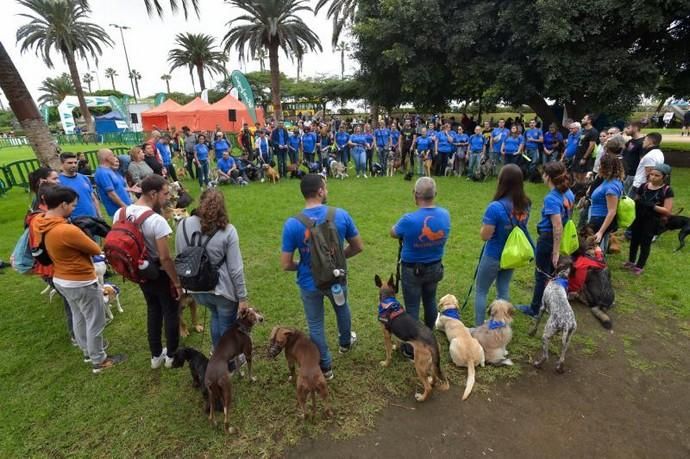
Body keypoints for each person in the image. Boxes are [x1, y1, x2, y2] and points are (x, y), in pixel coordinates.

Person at [33, 186, 126, 373]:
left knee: (79, 316)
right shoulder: (66, 230)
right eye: (73, 205)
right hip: (80, 280)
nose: (74, 209)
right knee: (95, 321)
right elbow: (93, 248)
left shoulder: (39, 221)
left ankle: (87, 351)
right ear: (63, 204)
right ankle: (99, 360)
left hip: (60, 278)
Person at [280, 174, 364, 379]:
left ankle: (325, 367)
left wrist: (307, 265)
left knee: (315, 324)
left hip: (309, 283)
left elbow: (286, 264)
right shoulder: (341, 215)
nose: (327, 191)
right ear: (320, 191)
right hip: (336, 278)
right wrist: (335, 260)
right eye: (325, 188)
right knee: (342, 309)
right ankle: (345, 342)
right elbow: (358, 247)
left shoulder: (292, 224)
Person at [114, 175, 182, 369]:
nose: (167, 198)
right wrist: (176, 282)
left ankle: (155, 355)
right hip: (158, 272)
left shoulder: (120, 213)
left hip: (137, 272)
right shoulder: (156, 220)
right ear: (153, 194)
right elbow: (165, 258)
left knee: (152, 309)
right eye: (165, 193)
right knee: (170, 311)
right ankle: (172, 355)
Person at [175, 189, 249, 348]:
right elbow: (236, 269)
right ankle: (226, 362)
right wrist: (242, 297)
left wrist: (181, 284)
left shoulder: (182, 225)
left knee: (215, 316)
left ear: (200, 203)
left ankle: (217, 354)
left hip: (196, 289)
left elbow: (180, 256)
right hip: (222, 290)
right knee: (227, 328)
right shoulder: (228, 231)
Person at [390, 177, 450, 340]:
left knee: (412, 307)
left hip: (412, 270)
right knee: (430, 300)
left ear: (415, 195)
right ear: (435, 194)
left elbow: (393, 232)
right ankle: (428, 334)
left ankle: (413, 345)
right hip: (435, 267)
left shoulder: (408, 219)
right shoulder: (445, 215)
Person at [474, 164, 531, 326]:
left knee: (481, 290)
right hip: (512, 254)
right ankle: (502, 325)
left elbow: (485, 236)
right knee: (503, 288)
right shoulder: (526, 204)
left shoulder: (495, 207)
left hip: (493, 253)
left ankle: (479, 327)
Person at [517, 162, 575, 317]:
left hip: (549, 239)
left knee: (541, 274)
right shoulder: (569, 192)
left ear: (547, 177)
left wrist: (555, 252)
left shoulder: (552, 198)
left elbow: (557, 226)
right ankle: (547, 305)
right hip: (558, 239)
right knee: (551, 273)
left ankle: (535, 309)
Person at [626, 163, 674, 275]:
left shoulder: (667, 190)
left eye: (657, 175)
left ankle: (640, 266)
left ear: (664, 177)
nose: (652, 177)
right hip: (638, 217)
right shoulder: (644, 186)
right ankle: (631, 261)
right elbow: (637, 200)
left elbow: (667, 210)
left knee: (645, 242)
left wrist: (652, 206)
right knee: (634, 240)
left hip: (652, 220)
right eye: (651, 174)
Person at [587, 154, 624, 253]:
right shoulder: (609, 181)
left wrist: (600, 232)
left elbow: (612, 211)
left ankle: (598, 266)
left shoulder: (611, 187)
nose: (599, 168)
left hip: (600, 219)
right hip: (598, 217)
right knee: (597, 248)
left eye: (601, 165)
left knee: (591, 249)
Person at [58, 152, 100, 219]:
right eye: (70, 163)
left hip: (93, 219)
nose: (74, 165)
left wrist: (99, 215)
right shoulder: (58, 181)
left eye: (75, 162)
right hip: (76, 221)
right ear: (62, 164)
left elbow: (93, 198)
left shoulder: (84, 178)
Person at [94, 149, 132, 217]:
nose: (114, 157)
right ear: (107, 158)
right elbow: (111, 194)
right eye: (112, 155)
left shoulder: (110, 170)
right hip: (118, 210)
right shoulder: (102, 173)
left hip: (125, 208)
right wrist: (124, 206)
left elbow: (118, 188)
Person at [573, 114, 598, 185]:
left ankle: (583, 192)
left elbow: (591, 146)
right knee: (575, 174)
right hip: (577, 156)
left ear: (589, 121)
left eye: (584, 119)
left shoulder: (593, 131)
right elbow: (579, 143)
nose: (582, 120)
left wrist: (584, 158)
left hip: (584, 157)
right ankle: (577, 190)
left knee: (582, 176)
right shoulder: (583, 130)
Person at [622, 121, 645, 195]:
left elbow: (642, 161)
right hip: (626, 173)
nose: (626, 130)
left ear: (635, 128)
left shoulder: (642, 142)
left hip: (633, 175)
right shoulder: (630, 141)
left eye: (628, 128)